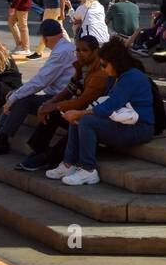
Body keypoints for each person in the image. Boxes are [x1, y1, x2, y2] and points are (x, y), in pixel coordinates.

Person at [47, 38, 155, 186]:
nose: (102, 68)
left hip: (139, 128)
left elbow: (109, 105)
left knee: (84, 120)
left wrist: (79, 113)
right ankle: (68, 164)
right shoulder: (115, 76)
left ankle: (88, 169)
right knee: (78, 119)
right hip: (122, 121)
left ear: (116, 63)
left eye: (104, 65)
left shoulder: (132, 77)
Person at [0, 20, 78, 159]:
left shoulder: (62, 52)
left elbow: (41, 81)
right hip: (57, 94)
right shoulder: (63, 48)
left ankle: (2, 139)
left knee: (22, 99)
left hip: (60, 98)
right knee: (18, 94)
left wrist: (14, 97)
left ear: (46, 38)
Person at [16, 36, 109, 172]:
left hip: (90, 115)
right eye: (77, 50)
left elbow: (82, 102)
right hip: (78, 112)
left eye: (84, 50)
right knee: (51, 111)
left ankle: (49, 158)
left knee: (72, 123)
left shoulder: (99, 74)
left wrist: (55, 106)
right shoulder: (81, 67)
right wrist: (49, 103)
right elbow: (68, 90)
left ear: (95, 52)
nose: (80, 53)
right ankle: (38, 151)